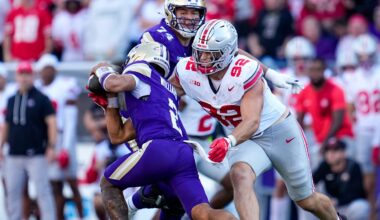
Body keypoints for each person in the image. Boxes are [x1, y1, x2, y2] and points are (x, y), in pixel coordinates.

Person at [135, 0, 303, 213]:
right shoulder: (157, 38)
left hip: (204, 139)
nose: (189, 17)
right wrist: (172, 95)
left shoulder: (201, 35)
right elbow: (144, 78)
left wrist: (270, 74)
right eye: (183, 11)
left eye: (194, 12)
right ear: (170, 11)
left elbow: (233, 52)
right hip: (178, 136)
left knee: (228, 186)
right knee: (171, 198)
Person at [170, 19, 346, 220]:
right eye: (199, 51)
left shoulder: (244, 72)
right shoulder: (187, 70)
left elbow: (252, 121)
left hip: (277, 131)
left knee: (306, 199)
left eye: (210, 54)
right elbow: (163, 94)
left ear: (226, 53)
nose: (202, 58)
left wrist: (228, 141)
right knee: (239, 176)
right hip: (244, 138)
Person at [89, 42, 236, 220]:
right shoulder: (165, 90)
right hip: (183, 154)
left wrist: (102, 69)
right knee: (204, 213)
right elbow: (119, 135)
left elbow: (112, 83)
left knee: (109, 183)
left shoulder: (141, 69)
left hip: (159, 151)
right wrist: (110, 104)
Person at [0, 61, 57, 220]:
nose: (24, 78)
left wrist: (51, 146)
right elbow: (7, 125)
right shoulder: (11, 99)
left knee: (42, 191)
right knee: (13, 192)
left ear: (32, 76)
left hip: (36, 154)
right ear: (17, 77)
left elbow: (51, 122)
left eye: (27, 74)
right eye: (21, 74)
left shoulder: (42, 98)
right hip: (14, 154)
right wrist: (1, 145)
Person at [34, 54, 83, 220]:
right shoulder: (38, 89)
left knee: (72, 182)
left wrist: (66, 149)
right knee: (55, 185)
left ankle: (82, 216)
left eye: (49, 68)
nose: (46, 72)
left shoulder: (65, 86)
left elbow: (71, 118)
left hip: (63, 137)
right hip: (48, 140)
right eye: (44, 68)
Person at [313, 138, 370, 220]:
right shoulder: (324, 166)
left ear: (344, 153)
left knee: (361, 207)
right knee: (309, 204)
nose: (331, 154)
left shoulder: (353, 166)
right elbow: (311, 182)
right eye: (328, 150)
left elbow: (358, 194)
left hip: (348, 207)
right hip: (330, 208)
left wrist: (338, 201)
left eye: (335, 150)